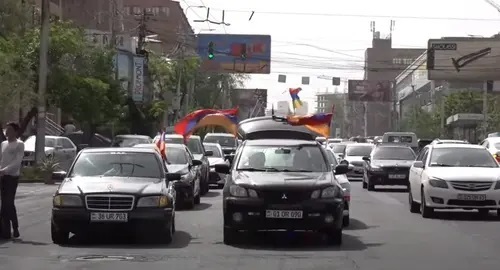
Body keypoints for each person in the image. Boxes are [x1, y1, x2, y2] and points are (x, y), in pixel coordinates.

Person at [0, 122, 24, 239]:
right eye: (6, 129)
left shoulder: (19, 144)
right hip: (2, 177)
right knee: (3, 204)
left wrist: (5, 170)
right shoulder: (3, 144)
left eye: (9, 129)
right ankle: (5, 230)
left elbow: (17, 162)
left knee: (8, 202)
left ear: (15, 131)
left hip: (12, 177)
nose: (7, 131)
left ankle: (15, 227)